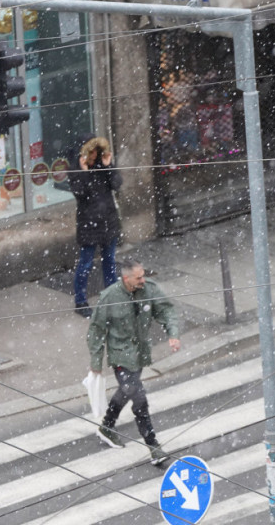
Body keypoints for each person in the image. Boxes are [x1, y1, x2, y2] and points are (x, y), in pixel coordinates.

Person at [87, 258, 181, 465]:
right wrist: (96, 362)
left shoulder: (149, 290)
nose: (143, 280)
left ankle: (107, 426)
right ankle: (153, 446)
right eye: (138, 277)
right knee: (139, 399)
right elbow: (96, 329)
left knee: (126, 390)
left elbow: (166, 311)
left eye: (143, 275)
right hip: (120, 355)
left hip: (139, 354)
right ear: (126, 278)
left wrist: (173, 333)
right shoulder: (110, 297)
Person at [68, 135, 123, 318]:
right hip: (89, 224)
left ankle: (112, 296)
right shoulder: (76, 168)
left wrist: (109, 166)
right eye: (90, 152)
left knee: (109, 262)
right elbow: (80, 193)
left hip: (108, 221)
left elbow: (117, 184)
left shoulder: (103, 165)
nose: (93, 155)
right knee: (85, 264)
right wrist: (84, 173)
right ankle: (80, 301)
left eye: (95, 151)